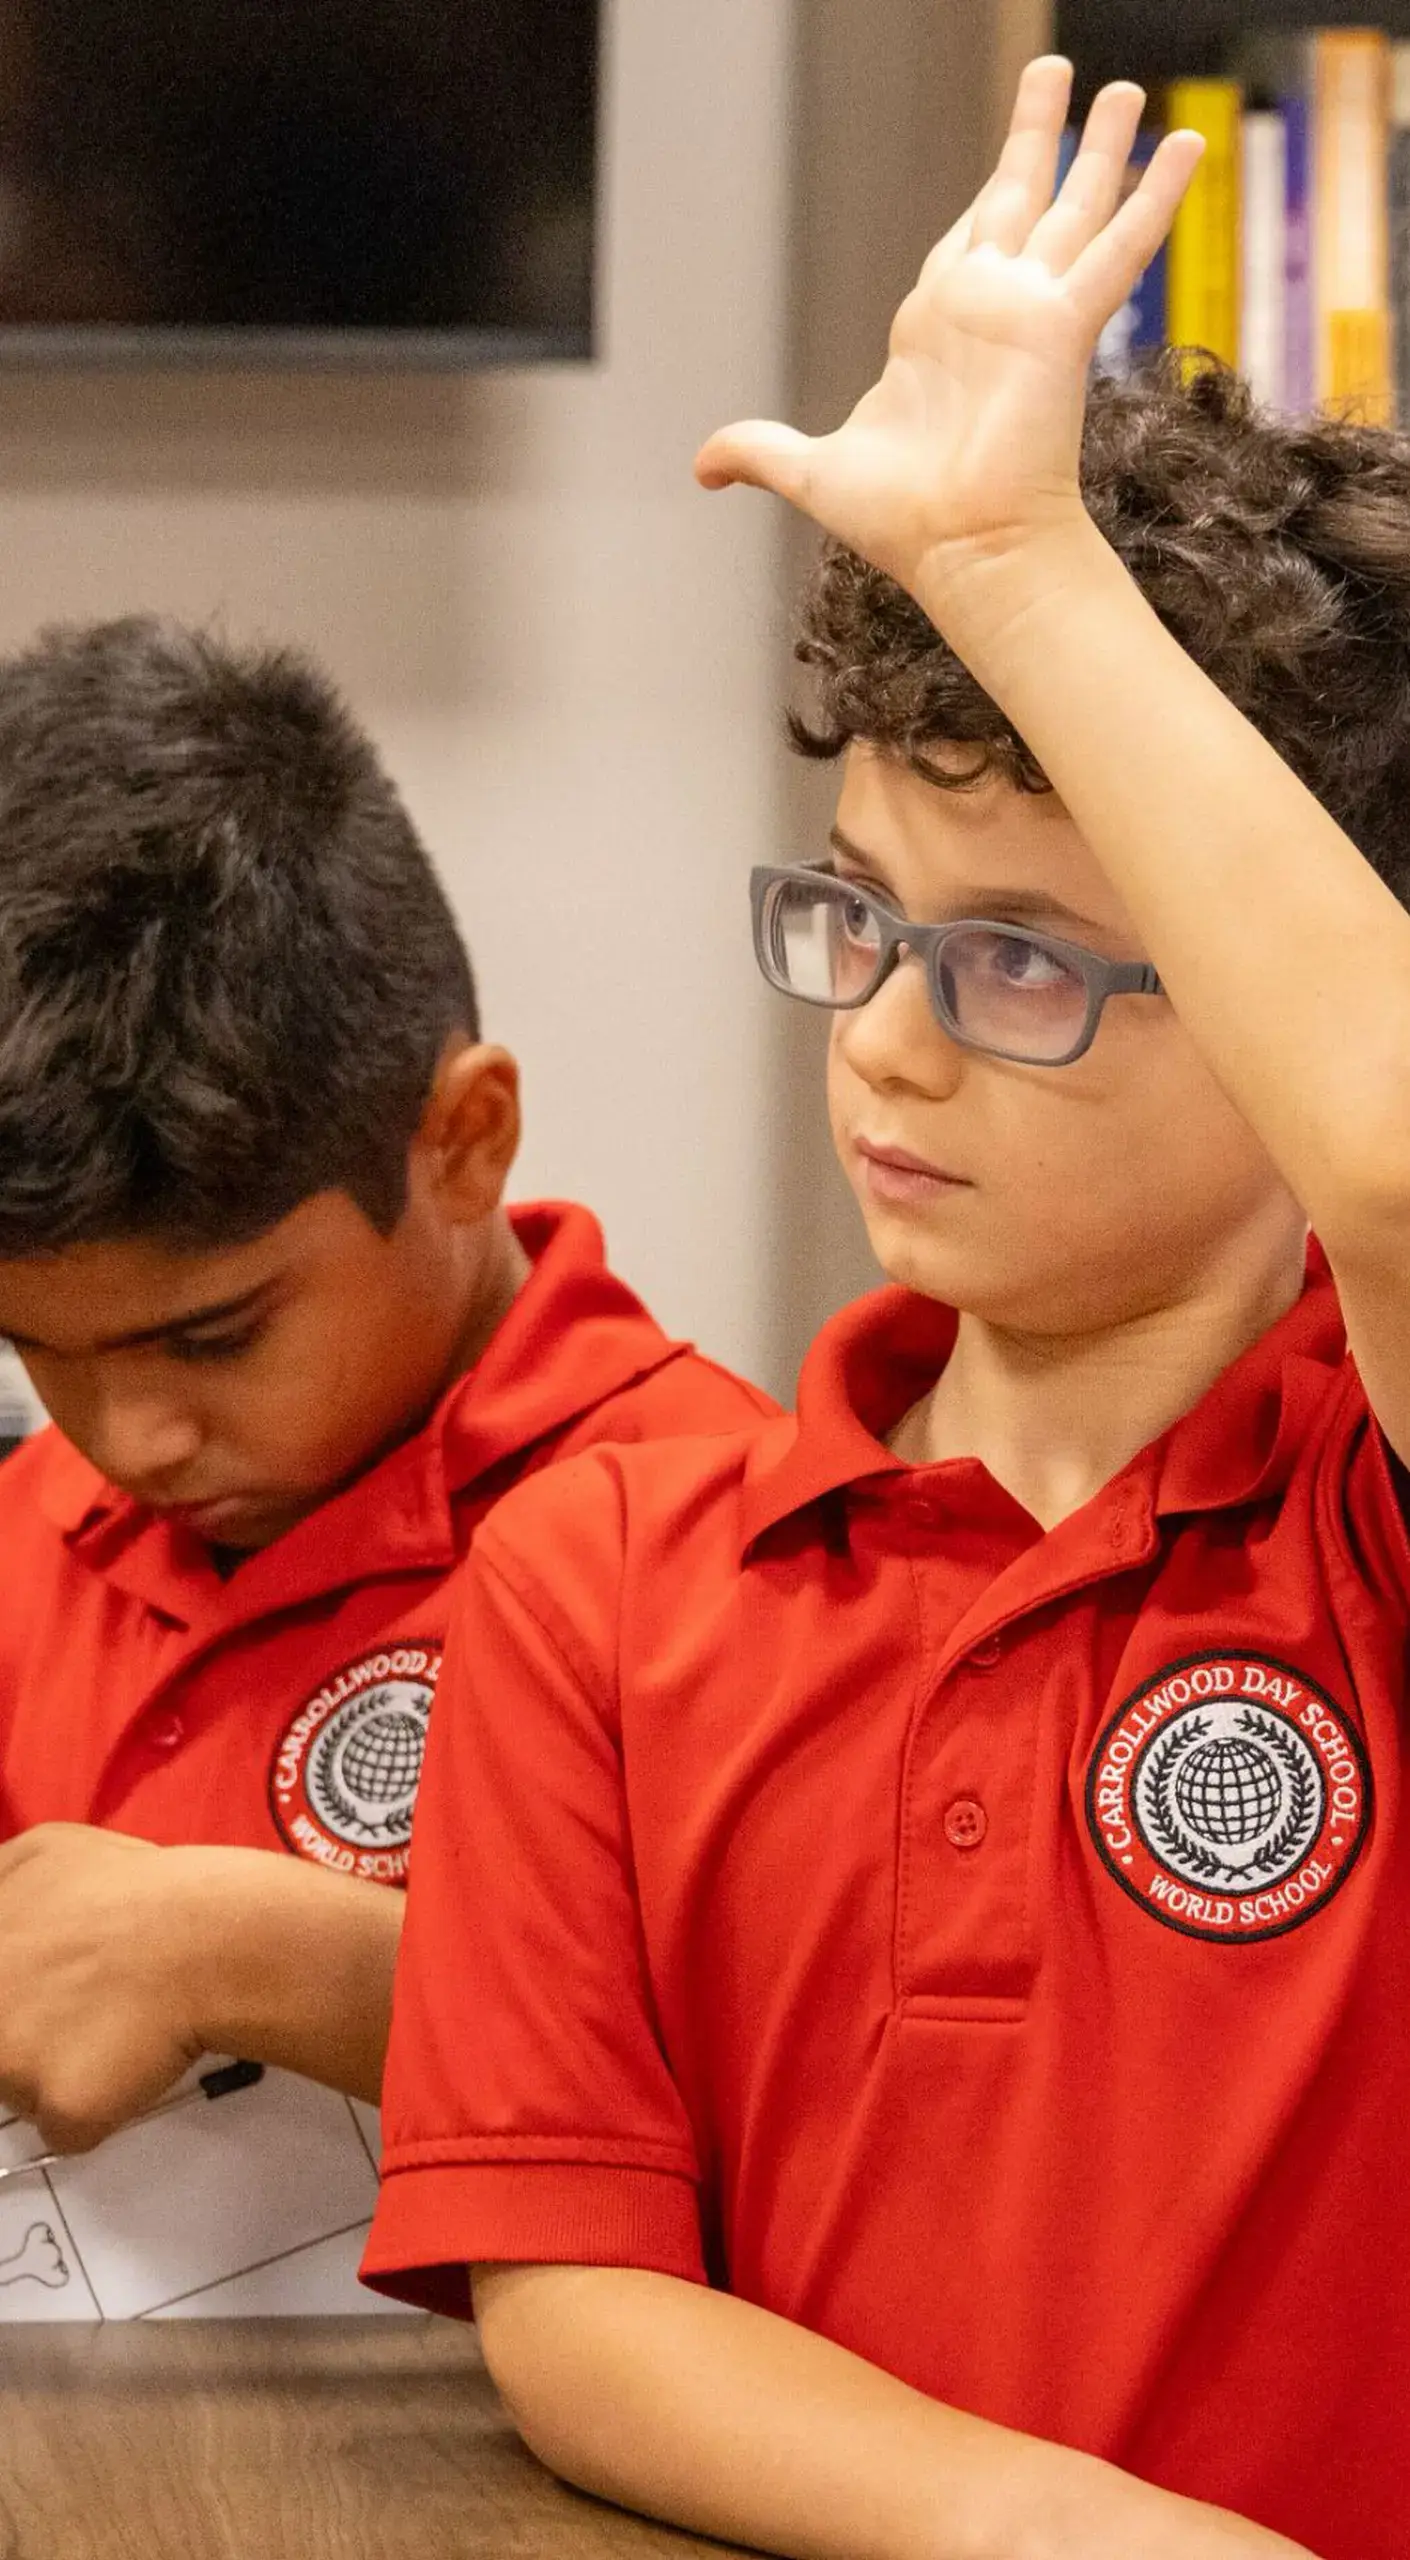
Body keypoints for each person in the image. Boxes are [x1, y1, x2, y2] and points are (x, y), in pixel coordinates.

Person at [362, 59, 1410, 2560]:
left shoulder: (1362, 1519)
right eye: (857, 911)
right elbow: (579, 2296)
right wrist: (1082, 2539)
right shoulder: (611, 1571)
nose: (891, 1040)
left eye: (1025, 960)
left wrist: (1024, 563)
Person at [0, 613, 772, 2155]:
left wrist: (263, 1959)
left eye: (213, 1338)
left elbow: (847, 2110)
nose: (129, 1438)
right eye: (34, 1350)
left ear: (466, 1141)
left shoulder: (742, 1542)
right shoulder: (30, 1527)